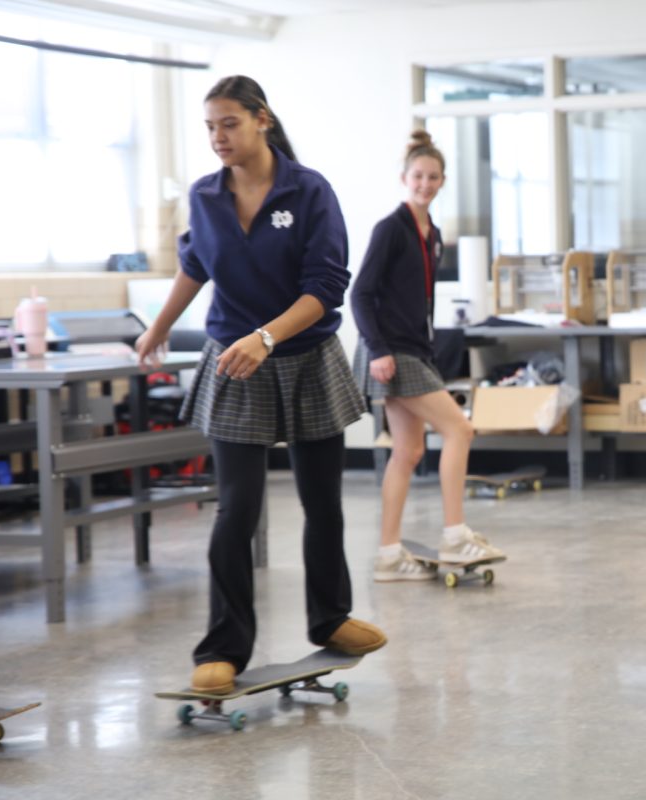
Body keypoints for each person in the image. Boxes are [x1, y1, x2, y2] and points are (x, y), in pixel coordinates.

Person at [134, 75, 386, 695]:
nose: (218, 137)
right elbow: (195, 265)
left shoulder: (309, 190)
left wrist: (267, 337)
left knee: (321, 502)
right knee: (237, 509)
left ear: (262, 120)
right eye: (210, 127)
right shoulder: (205, 196)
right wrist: (157, 327)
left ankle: (330, 619)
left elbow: (326, 287)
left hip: (304, 357)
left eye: (229, 123)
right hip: (235, 362)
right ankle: (223, 648)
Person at [351, 130, 502, 582]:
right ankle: (455, 535)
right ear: (405, 178)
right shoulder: (391, 229)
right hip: (390, 352)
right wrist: (378, 350)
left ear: (442, 181)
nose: (425, 184)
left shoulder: (432, 234)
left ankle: (388, 555)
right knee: (460, 429)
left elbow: (420, 301)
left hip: (414, 351)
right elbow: (360, 294)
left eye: (433, 177)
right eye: (418, 176)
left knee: (409, 450)